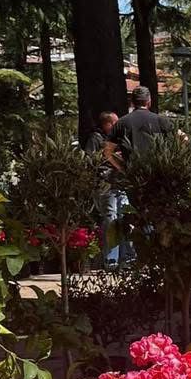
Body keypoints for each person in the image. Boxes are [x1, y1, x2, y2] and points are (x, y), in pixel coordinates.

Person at [82, 111, 131, 268]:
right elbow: (90, 160)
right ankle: (111, 259)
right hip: (106, 184)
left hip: (121, 183)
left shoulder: (120, 139)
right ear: (107, 124)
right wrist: (108, 159)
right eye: (115, 123)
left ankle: (127, 257)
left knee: (125, 217)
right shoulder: (96, 138)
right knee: (110, 217)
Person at [113, 85, 179, 161]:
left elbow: (107, 148)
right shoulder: (161, 120)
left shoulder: (121, 122)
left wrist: (119, 166)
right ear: (149, 101)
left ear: (132, 102)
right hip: (157, 166)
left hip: (130, 167)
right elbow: (182, 137)